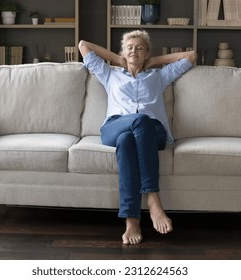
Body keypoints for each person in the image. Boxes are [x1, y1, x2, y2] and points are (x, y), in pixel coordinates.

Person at [78, 30, 197, 245]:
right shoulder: (109, 74)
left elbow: (191, 56)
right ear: (123, 51)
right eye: (129, 47)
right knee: (135, 122)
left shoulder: (158, 76)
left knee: (128, 138)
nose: (134, 51)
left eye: (140, 48)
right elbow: (83, 44)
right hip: (115, 126)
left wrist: (154, 62)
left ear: (147, 54)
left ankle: (132, 219)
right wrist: (118, 59)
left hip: (152, 132)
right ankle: (152, 198)